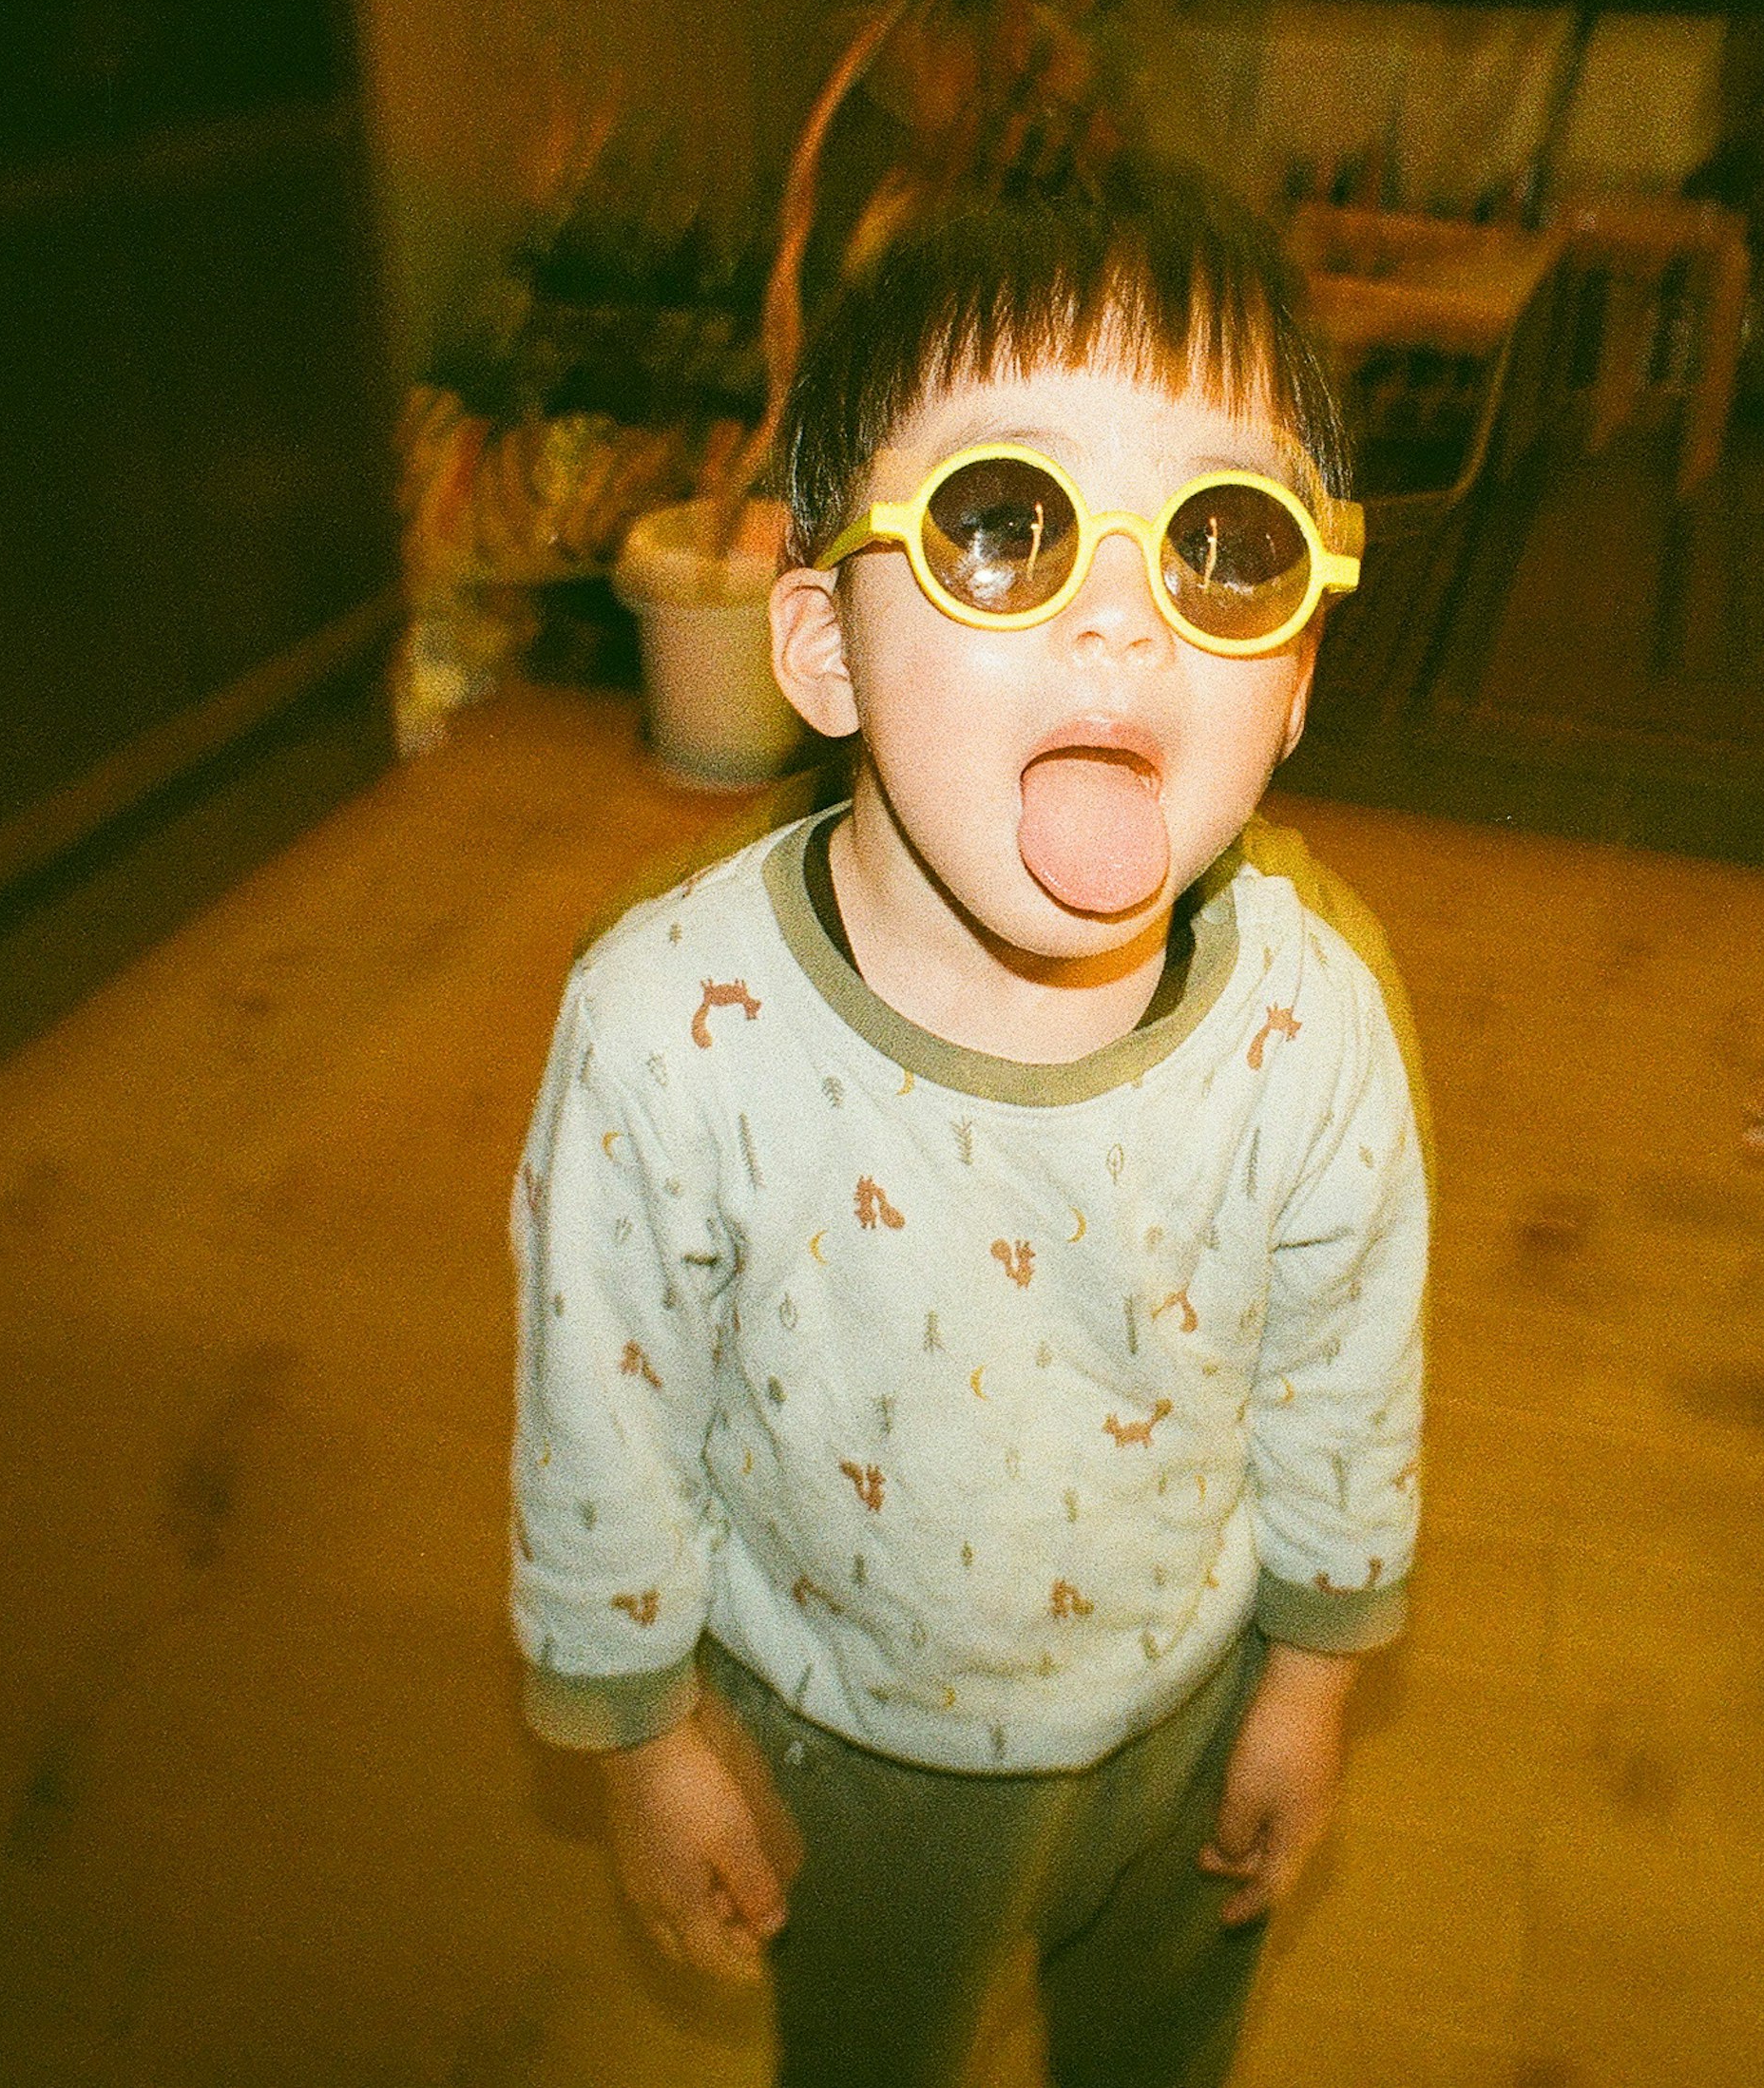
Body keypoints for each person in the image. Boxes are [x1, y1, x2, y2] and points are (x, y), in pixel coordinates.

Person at [507, 165, 1430, 2088]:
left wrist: (1314, 1681)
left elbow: (1345, 1372)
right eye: (1004, 528)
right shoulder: (671, 1035)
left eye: (1223, 542)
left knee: (1164, 2048)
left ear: (1303, 673)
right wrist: (647, 1734)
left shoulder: (1318, 1022)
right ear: (825, 648)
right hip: (850, 1739)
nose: (1120, 621)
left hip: (1195, 1686)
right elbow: (606, 1405)